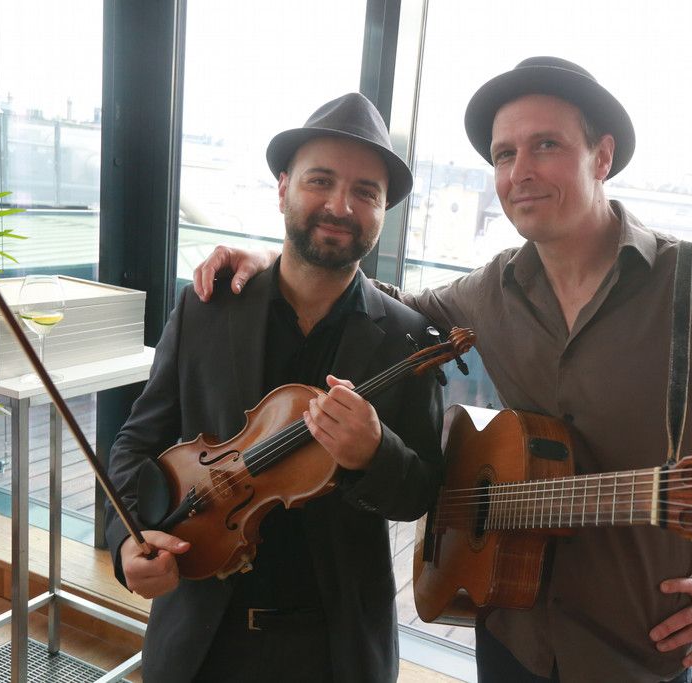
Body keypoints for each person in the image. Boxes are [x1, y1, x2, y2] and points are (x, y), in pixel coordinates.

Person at [193, 58, 692, 683]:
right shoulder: (492, 289)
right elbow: (382, 306)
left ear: (602, 156)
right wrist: (277, 261)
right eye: (504, 154)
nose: (521, 172)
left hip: (637, 650)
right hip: (509, 630)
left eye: (546, 145)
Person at [105, 93, 445, 683]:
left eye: (366, 192)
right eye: (320, 181)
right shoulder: (207, 307)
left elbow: (420, 492)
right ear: (283, 187)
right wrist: (126, 540)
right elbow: (136, 445)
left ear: (383, 210)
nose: (340, 206)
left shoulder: (407, 338)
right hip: (201, 637)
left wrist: (375, 453)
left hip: (335, 649)